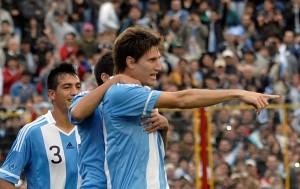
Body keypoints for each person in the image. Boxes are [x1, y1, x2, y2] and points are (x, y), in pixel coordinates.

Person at [71, 27, 280, 188]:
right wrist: (237, 93)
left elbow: (154, 155)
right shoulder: (121, 93)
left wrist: (164, 128)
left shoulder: (142, 99)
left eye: (159, 60)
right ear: (130, 62)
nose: (159, 67)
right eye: (152, 60)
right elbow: (182, 99)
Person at [69, 51, 169, 188]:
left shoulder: (134, 104)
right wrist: (115, 80)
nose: (130, 81)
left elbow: (156, 156)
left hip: (123, 182)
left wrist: (164, 128)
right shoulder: (85, 98)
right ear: (105, 77)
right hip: (96, 185)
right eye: (124, 76)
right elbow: (77, 113)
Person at [0, 63, 81, 189]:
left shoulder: (89, 129)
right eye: (67, 87)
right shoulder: (32, 132)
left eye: (78, 86)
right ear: (51, 94)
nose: (75, 92)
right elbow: (5, 179)